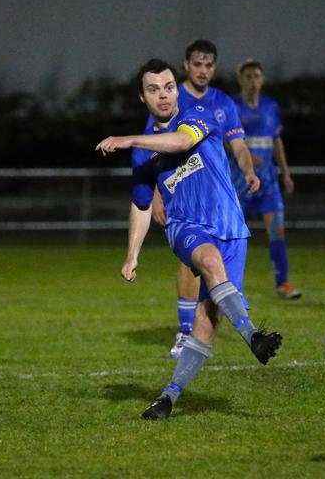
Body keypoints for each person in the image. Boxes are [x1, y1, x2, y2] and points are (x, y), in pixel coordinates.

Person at [96, 58, 283, 419]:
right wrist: (132, 254)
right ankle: (253, 336)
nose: (163, 95)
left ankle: (168, 398)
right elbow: (140, 205)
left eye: (168, 87)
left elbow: (182, 143)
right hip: (185, 227)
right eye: (153, 89)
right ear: (142, 96)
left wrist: (130, 137)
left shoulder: (199, 114)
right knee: (209, 261)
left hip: (231, 228)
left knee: (207, 322)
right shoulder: (142, 151)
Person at [145, 39, 256, 360]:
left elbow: (238, 145)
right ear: (186, 66)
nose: (203, 71)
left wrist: (248, 170)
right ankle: (184, 332)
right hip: (182, 194)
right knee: (189, 261)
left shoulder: (223, 103)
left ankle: (208, 327)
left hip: (217, 198)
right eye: (197, 65)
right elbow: (152, 151)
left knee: (214, 266)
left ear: (215, 68)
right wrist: (155, 197)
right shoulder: (168, 96)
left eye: (208, 66)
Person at [231, 59, 301, 299]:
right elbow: (223, 141)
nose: (253, 81)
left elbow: (276, 140)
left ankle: (283, 284)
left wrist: (286, 173)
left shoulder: (271, 106)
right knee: (234, 235)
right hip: (240, 183)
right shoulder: (231, 107)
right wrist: (246, 156)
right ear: (240, 80)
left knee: (277, 231)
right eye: (248, 76)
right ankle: (228, 285)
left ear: (262, 80)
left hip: (268, 182)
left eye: (257, 76)